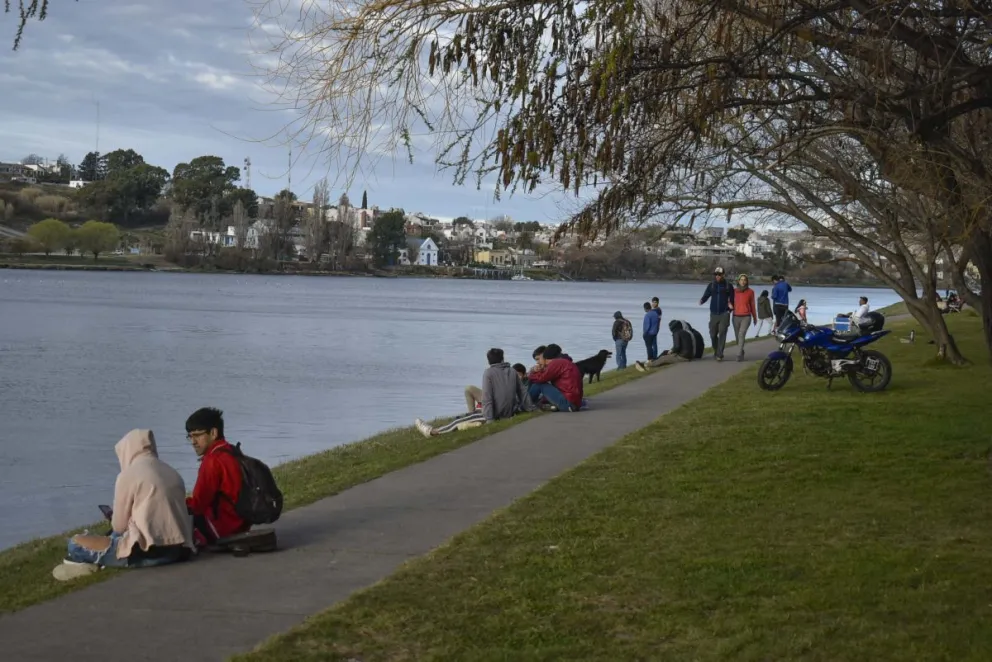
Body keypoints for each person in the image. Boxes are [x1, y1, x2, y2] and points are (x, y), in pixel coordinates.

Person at [55, 429, 194, 581]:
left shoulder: (128, 475)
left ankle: (88, 564)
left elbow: (119, 527)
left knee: (75, 543)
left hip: (143, 553)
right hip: (178, 551)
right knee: (114, 536)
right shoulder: (172, 472)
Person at [416, 348, 534, 436]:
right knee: (469, 417)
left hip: (496, 413)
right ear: (503, 358)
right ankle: (474, 418)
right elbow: (523, 393)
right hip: (509, 411)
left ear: (489, 361)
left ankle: (433, 432)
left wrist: (489, 419)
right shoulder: (512, 371)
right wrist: (530, 408)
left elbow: (487, 397)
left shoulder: (489, 373)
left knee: (459, 421)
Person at [185, 407, 251, 544]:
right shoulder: (231, 450)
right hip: (242, 523)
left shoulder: (212, 461)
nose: (193, 442)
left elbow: (198, 505)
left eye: (197, 435)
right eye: (190, 436)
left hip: (222, 528)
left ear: (213, 433)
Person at [528, 343, 583, 412]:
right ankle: (533, 403)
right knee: (541, 384)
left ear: (544, 356)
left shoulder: (556, 363)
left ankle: (525, 405)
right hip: (574, 403)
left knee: (539, 384)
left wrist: (532, 373)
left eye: (538, 359)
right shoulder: (565, 362)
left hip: (569, 403)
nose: (537, 362)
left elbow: (541, 379)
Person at [699, 266, 735, 361]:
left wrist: (730, 309)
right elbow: (706, 295)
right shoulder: (711, 285)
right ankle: (716, 351)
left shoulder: (728, 286)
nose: (717, 276)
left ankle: (719, 354)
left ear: (723, 275)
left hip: (724, 313)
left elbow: (732, 299)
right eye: (716, 275)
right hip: (713, 313)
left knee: (722, 332)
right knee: (712, 334)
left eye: (719, 275)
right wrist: (702, 300)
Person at [731, 274, 758, 361]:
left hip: (746, 316)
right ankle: (741, 351)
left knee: (741, 334)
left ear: (747, 281)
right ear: (738, 281)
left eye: (744, 280)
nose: (743, 281)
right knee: (737, 337)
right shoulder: (734, 291)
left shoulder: (750, 292)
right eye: (741, 280)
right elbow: (729, 301)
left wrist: (755, 317)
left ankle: (738, 355)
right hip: (735, 316)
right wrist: (729, 305)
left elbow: (753, 305)